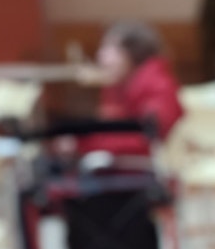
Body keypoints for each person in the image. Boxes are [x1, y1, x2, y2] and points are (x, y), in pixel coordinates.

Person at [78, 20, 184, 157]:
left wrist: (82, 144)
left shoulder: (158, 86)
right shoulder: (124, 84)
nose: (100, 56)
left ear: (133, 53)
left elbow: (148, 141)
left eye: (109, 48)